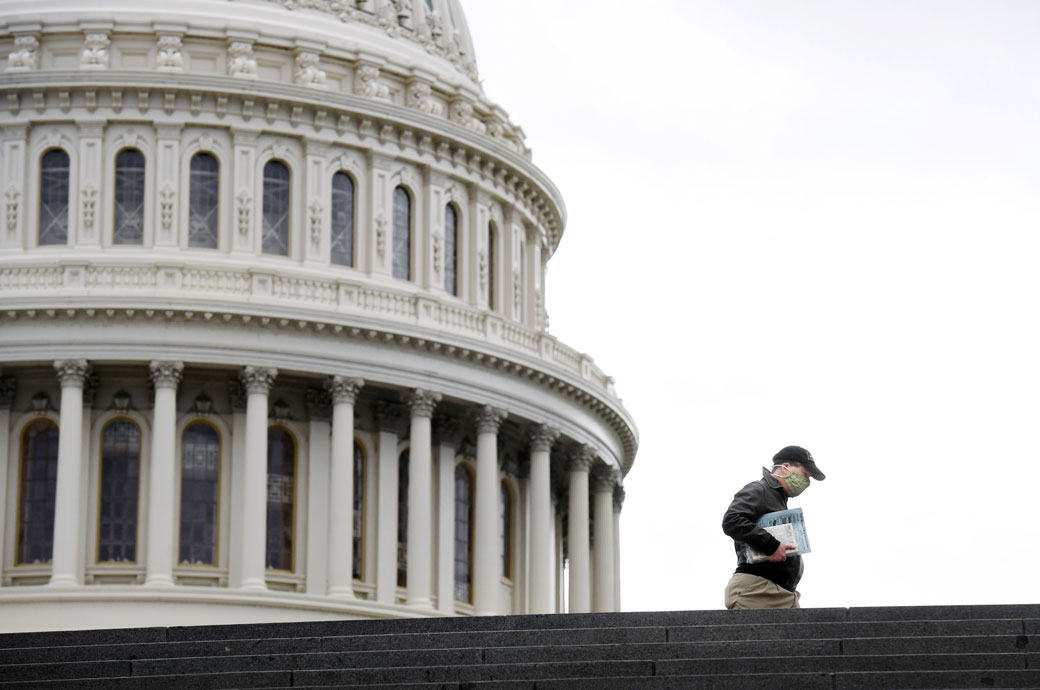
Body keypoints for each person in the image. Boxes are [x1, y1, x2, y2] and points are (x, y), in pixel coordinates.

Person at [721, 445, 825, 609]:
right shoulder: (759, 489)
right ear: (785, 468)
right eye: (805, 474)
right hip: (757, 591)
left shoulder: (778, 498)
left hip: (783, 594)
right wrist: (771, 545)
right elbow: (732, 520)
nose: (807, 482)